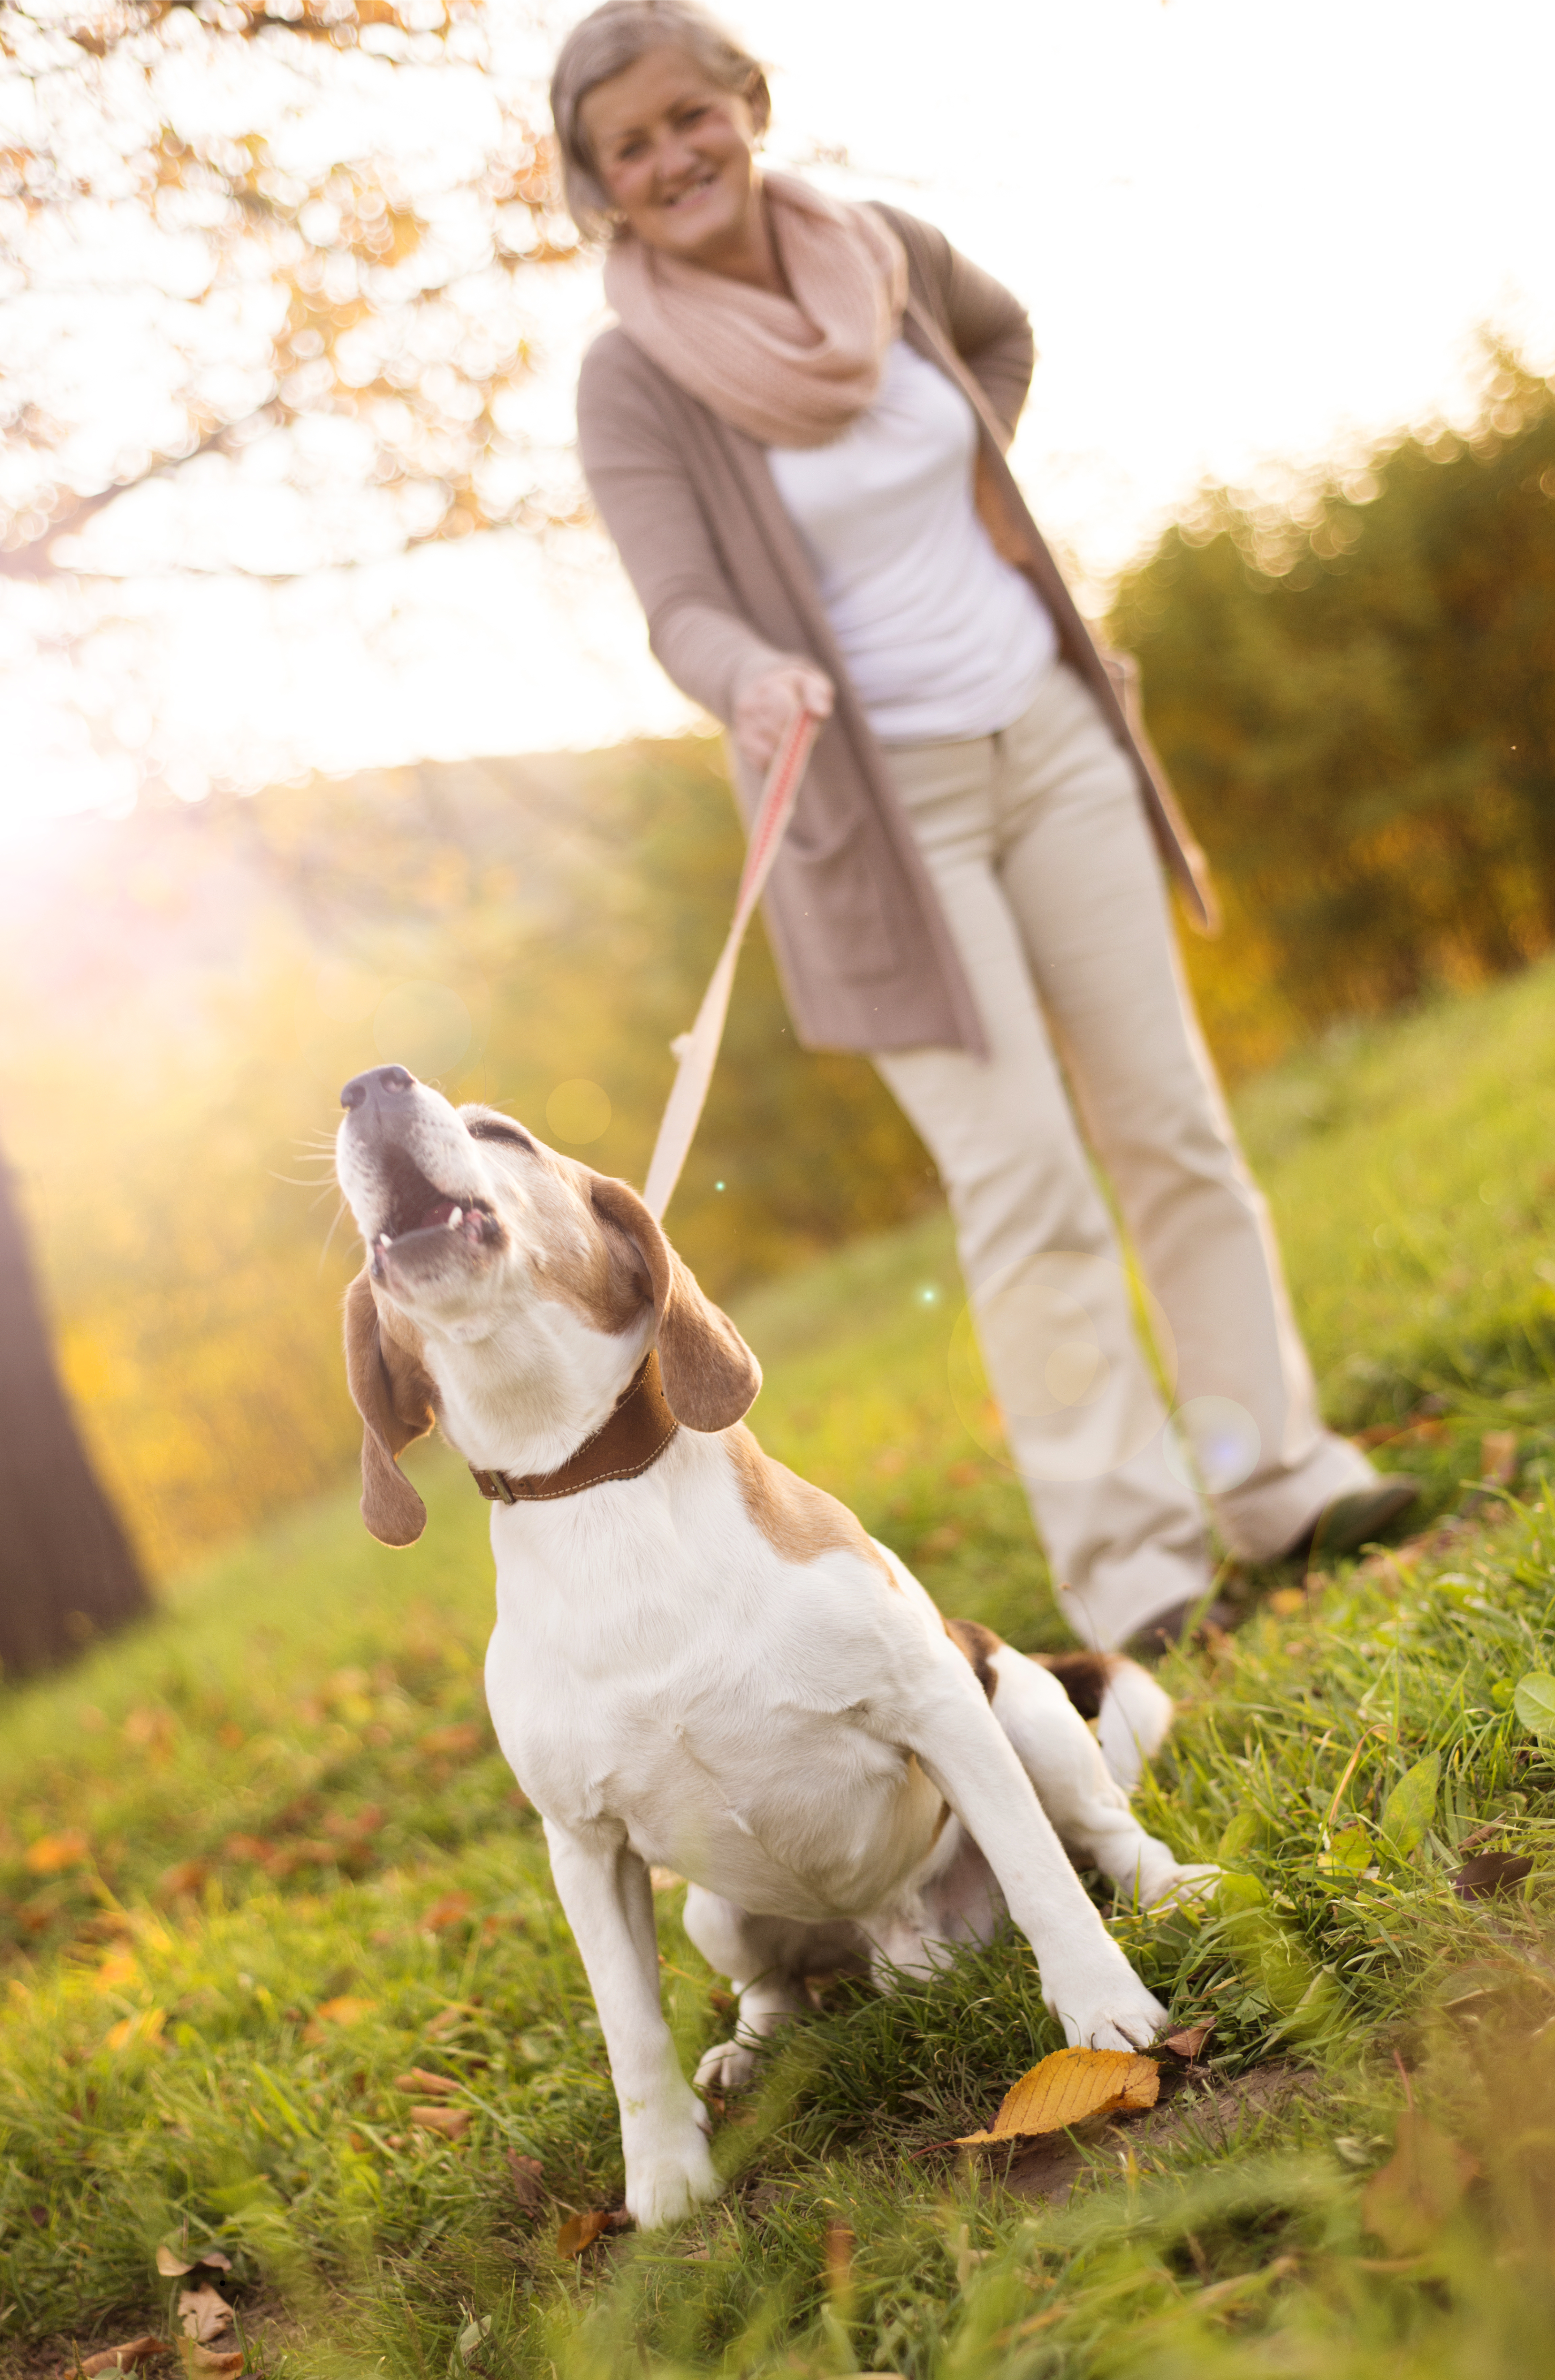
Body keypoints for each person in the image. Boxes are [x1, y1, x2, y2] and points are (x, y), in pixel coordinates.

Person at [549, 0, 1416, 1655]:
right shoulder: (634, 375)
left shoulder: (881, 252)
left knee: (1173, 1127)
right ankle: (1139, 1569)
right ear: (602, 185)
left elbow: (1001, 343)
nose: (672, 159)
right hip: (879, 815)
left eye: (690, 116)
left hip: (1052, 732)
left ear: (747, 104)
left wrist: (976, 497)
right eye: (630, 148)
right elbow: (678, 603)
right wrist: (751, 674)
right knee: (1027, 1184)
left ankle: (1281, 1479)